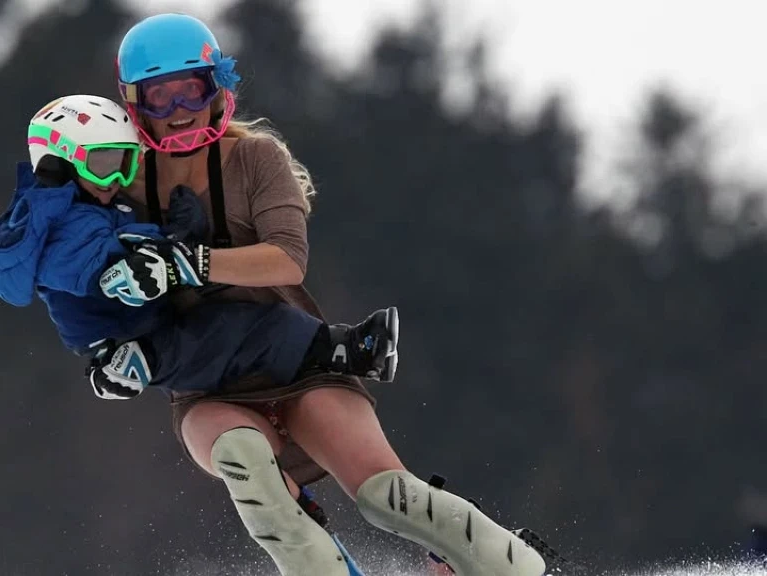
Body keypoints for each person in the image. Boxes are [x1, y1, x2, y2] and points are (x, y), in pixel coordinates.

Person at [99, 12, 560, 576]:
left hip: (300, 364)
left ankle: (513, 567)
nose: (177, 111)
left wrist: (187, 264)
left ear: (216, 87)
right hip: (205, 386)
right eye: (159, 96)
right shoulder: (120, 178)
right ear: (133, 102)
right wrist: (104, 352)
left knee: (388, 497)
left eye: (189, 90)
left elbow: (285, 258)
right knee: (250, 472)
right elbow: (76, 272)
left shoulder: (256, 159)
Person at [0, 94, 400, 407]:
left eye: (125, 164)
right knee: (237, 332)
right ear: (59, 162)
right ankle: (343, 349)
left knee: (242, 321)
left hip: (149, 319)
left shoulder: (95, 205)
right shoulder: (49, 228)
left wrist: (179, 233)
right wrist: (156, 252)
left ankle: (331, 358)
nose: (113, 179)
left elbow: (133, 241)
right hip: (125, 335)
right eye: (102, 164)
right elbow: (98, 265)